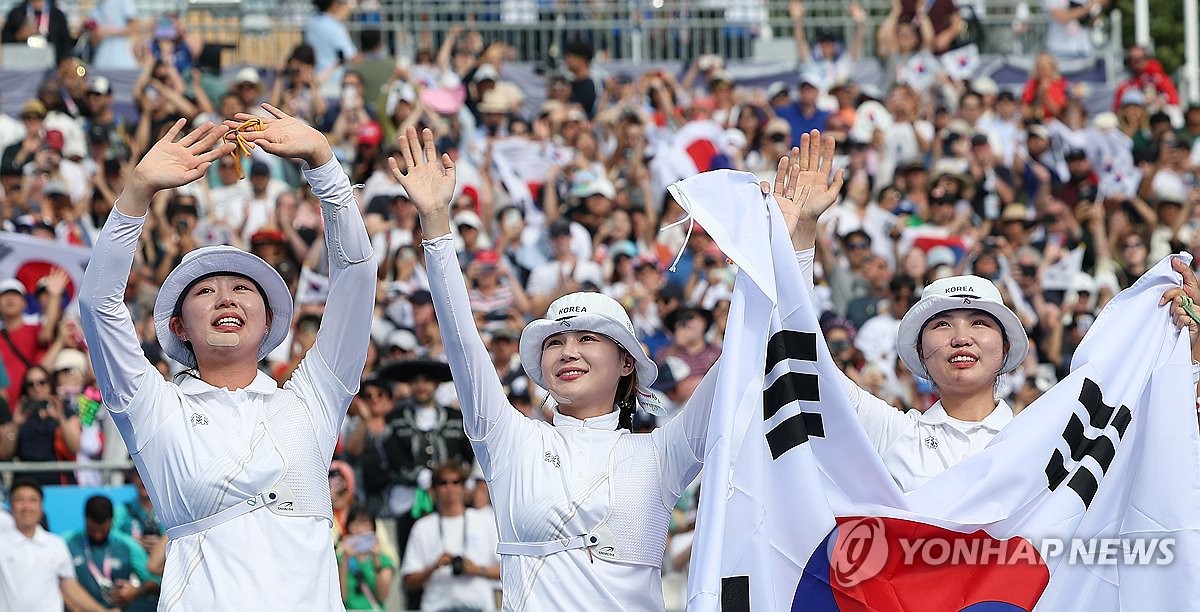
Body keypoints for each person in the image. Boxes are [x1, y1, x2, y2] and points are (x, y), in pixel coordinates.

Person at [393, 125, 715, 608]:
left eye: (587, 339)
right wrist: (437, 223)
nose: (568, 351)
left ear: (627, 361)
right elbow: (461, 342)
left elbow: (738, 369)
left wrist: (793, 251)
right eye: (556, 342)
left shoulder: (660, 452)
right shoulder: (509, 440)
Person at [776, 128, 1200, 492]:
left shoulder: (1051, 436)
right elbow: (804, 360)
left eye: (979, 323)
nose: (961, 337)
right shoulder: (892, 434)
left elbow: (1157, 436)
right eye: (942, 325)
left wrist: (1191, 349)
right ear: (921, 353)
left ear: (1005, 348)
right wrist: (801, 235)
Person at [77, 104, 375, 609]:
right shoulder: (154, 408)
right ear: (178, 326)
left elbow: (357, 275)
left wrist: (325, 165)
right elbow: (98, 304)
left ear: (267, 318)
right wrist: (137, 193)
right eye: (205, 292)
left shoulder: (311, 399)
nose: (226, 299)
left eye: (242, 288)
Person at [400, 461, 500, 612]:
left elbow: (506, 570)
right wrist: (434, 567)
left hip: (479, 607)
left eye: (456, 482)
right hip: (436, 607)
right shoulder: (422, 527)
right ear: (433, 490)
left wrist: (477, 569)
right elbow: (408, 581)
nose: (450, 488)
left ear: (464, 487)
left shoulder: (485, 520)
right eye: (443, 483)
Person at [0, 478, 112, 612]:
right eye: (20, 500)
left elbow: (69, 586)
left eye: (33, 500)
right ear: (10, 506)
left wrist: (101, 611)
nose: (27, 507)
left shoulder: (55, 543)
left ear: (41, 507)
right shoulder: (3, 542)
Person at [63, 495, 160, 611]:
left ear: (112, 521)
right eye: (92, 529)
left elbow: (155, 581)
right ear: (85, 519)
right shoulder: (65, 543)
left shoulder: (127, 545)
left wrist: (137, 591)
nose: (97, 535)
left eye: (103, 530)